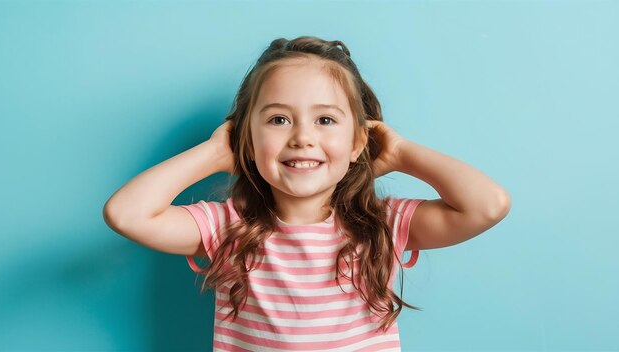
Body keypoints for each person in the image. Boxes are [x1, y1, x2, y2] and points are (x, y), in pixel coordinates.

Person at [103, 36, 511, 351]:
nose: (302, 137)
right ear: (246, 140)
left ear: (358, 142)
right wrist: (214, 153)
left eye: (325, 120)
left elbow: (488, 205)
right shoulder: (227, 227)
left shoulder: (382, 225)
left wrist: (401, 153)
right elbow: (126, 214)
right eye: (279, 119)